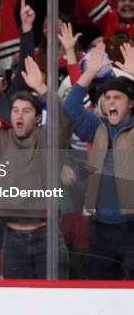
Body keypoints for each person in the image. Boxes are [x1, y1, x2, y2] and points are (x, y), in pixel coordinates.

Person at [0, 58, 72, 279]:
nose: (19, 115)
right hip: (11, 239)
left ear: (38, 118)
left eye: (26, 111)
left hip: (47, 237)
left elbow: (64, 122)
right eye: (15, 110)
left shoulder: (47, 139)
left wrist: (41, 89)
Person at [63, 42, 134, 279]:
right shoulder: (96, 127)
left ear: (131, 103)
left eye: (118, 97)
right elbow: (71, 106)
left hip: (132, 226)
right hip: (101, 227)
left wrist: (133, 75)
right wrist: (89, 72)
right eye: (107, 97)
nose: (111, 102)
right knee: (101, 293)